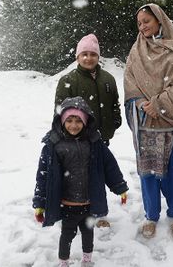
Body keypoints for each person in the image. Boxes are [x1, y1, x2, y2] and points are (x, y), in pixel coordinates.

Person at [124, 3, 173, 238]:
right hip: (145, 124)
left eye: (146, 21)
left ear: (159, 20)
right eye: (139, 23)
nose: (142, 26)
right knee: (148, 174)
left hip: (171, 125)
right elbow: (129, 82)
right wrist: (139, 102)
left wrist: (160, 103)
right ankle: (151, 216)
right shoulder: (136, 51)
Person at [33, 96, 128, 267]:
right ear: (62, 121)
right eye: (69, 120)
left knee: (88, 233)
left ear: (85, 122)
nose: (74, 125)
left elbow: (109, 166)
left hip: (88, 201)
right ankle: (63, 262)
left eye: (78, 120)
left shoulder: (94, 143)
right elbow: (43, 176)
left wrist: (119, 186)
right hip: (67, 203)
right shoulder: (53, 145)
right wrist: (40, 202)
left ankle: (87, 260)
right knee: (67, 235)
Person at [55, 33, 122, 228]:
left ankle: (98, 213)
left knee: (97, 177)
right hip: (77, 140)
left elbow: (115, 104)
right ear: (77, 57)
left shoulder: (108, 79)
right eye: (84, 54)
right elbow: (60, 111)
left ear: (98, 57)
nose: (88, 58)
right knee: (77, 178)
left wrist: (115, 121)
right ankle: (74, 211)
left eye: (93, 54)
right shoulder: (68, 80)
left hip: (101, 138)